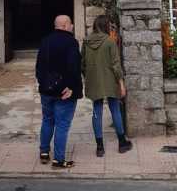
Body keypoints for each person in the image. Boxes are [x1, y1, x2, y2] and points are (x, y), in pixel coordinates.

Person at [81, 15, 133, 157]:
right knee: (115, 109)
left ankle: (99, 147)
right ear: (106, 26)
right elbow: (116, 65)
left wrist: (88, 78)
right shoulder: (110, 42)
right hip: (111, 80)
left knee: (96, 111)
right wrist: (121, 83)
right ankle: (122, 143)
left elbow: (83, 64)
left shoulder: (86, 42)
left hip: (93, 80)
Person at [35, 15, 83, 168]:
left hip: (46, 90)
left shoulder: (45, 41)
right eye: (71, 24)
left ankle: (44, 152)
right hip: (65, 92)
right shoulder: (71, 42)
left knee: (47, 120)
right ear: (65, 25)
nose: (73, 26)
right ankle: (59, 160)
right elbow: (74, 67)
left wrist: (43, 83)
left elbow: (39, 67)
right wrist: (72, 87)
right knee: (62, 125)